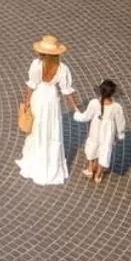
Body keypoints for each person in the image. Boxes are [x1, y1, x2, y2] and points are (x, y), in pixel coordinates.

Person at [16, 35, 78, 186]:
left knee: (38, 129)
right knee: (52, 129)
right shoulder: (63, 69)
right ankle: (50, 163)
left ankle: (36, 159)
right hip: (51, 101)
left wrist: (27, 102)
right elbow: (66, 91)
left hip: (39, 98)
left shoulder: (37, 65)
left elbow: (31, 85)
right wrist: (75, 107)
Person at [74, 78, 126, 186]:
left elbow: (86, 116)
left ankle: (89, 168)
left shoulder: (94, 103)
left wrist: (77, 114)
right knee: (105, 150)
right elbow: (120, 123)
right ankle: (98, 174)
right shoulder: (117, 107)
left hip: (95, 128)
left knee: (92, 145)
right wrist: (120, 135)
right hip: (108, 133)